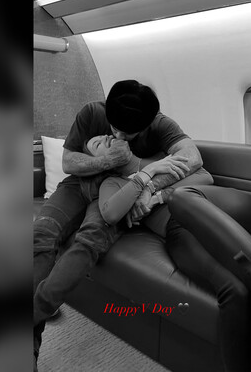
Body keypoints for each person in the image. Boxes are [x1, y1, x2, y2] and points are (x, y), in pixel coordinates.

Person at [33, 80, 205, 367]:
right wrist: (107, 160)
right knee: (41, 233)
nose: (119, 136)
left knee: (90, 240)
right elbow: (68, 162)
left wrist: (148, 182)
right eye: (115, 129)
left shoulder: (160, 124)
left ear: (147, 123)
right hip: (79, 186)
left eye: (129, 133)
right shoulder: (91, 112)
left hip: (118, 190)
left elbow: (193, 158)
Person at [83, 134, 251, 371]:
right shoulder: (112, 183)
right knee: (235, 291)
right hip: (180, 229)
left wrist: (156, 194)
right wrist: (145, 177)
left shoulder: (157, 158)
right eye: (97, 144)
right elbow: (111, 213)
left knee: (182, 197)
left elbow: (203, 177)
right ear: (98, 162)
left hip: (217, 207)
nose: (106, 137)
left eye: (106, 135)